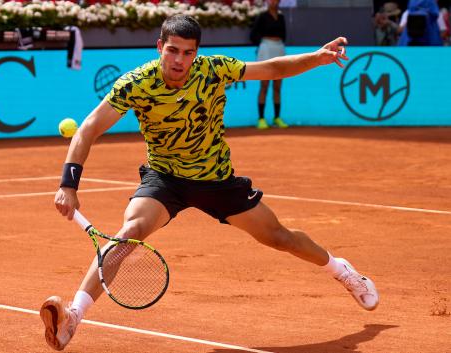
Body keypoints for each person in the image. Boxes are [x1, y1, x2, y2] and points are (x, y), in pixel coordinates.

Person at [40, 14, 379, 351]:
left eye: (188, 53)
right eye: (172, 50)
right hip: (166, 179)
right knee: (129, 234)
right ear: (159, 46)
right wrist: (68, 184)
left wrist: (317, 58)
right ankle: (73, 316)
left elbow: (272, 69)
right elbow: (88, 128)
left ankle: (342, 270)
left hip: (216, 179)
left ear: (197, 53)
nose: (179, 60)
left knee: (279, 237)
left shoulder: (214, 69)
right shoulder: (137, 84)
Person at [249, 0, 289, 130]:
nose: (273, 2)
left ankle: (277, 118)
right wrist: (263, 44)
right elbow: (253, 35)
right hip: (266, 48)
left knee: (278, 86)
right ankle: (261, 119)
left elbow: (284, 35)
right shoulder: (262, 16)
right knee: (264, 85)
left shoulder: (281, 16)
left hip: (279, 48)